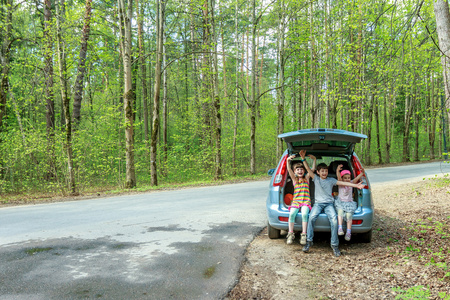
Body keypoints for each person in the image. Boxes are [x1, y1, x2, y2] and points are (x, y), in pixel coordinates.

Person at [299, 150, 365, 257]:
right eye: (322, 171)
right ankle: (308, 242)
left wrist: (356, 186)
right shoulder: (315, 179)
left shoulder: (331, 180)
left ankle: (334, 245)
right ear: (318, 172)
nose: (324, 173)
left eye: (325, 171)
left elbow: (343, 182)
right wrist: (303, 159)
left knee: (334, 221)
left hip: (329, 204)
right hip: (318, 204)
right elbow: (307, 169)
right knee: (311, 217)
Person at [285, 153, 316, 245]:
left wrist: (314, 160)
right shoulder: (294, 180)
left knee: (304, 214)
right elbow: (289, 169)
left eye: (301, 169)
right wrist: (287, 161)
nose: (300, 171)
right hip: (296, 201)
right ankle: (290, 234)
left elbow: (312, 169)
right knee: (292, 214)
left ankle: (304, 235)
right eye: (297, 169)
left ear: (304, 171)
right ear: (295, 172)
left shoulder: (307, 178)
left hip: (306, 202)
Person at [335, 164, 365, 241]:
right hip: (341, 203)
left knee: (349, 216)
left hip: (349, 203)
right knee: (340, 212)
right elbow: (338, 177)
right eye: (345, 178)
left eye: (348, 178)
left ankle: (348, 233)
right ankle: (340, 228)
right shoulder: (340, 183)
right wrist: (338, 170)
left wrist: (362, 173)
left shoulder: (351, 182)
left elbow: (356, 178)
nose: (347, 179)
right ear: (342, 178)